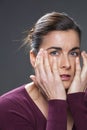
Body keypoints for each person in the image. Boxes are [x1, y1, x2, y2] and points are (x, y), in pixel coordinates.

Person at [0, 11, 87, 130]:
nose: (66, 64)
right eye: (55, 53)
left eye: (73, 53)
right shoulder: (9, 108)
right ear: (34, 58)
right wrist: (57, 102)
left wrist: (77, 102)